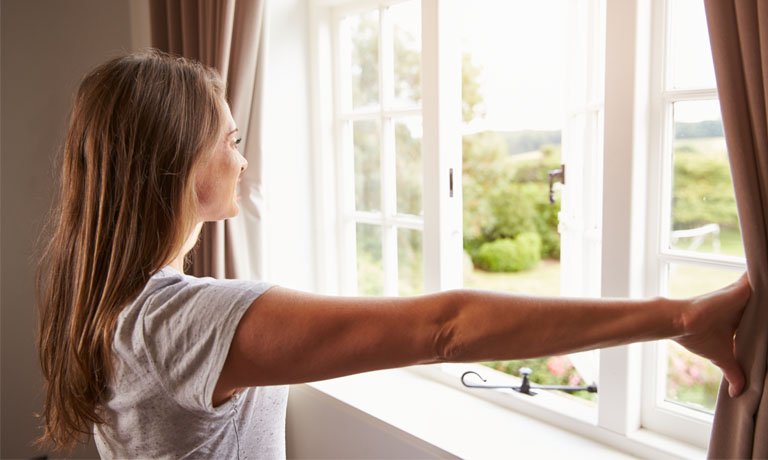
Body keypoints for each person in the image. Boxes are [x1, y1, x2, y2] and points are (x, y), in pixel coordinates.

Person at [36, 50, 751, 459]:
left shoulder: (111, 295)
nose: (242, 158)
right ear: (180, 162)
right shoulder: (180, 320)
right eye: (230, 140)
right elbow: (446, 328)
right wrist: (681, 314)